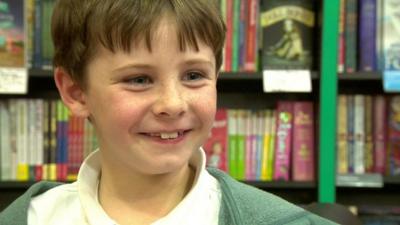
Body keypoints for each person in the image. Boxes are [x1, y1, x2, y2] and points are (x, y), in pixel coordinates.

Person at [0, 0, 337, 224]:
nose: (173, 104)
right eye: (139, 79)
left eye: (193, 75)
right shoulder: (30, 217)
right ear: (76, 92)